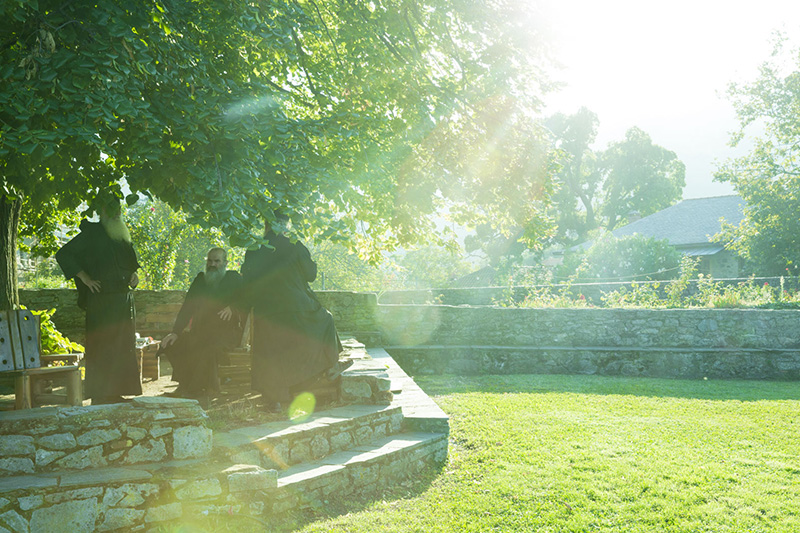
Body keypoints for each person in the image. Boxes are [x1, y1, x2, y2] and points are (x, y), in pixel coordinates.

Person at [240, 218, 347, 411]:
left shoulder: (254, 248)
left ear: (266, 224)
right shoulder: (294, 245)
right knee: (326, 319)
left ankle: (275, 401)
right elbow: (311, 275)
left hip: (267, 311)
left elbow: (246, 279)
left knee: (271, 353)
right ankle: (331, 365)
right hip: (297, 306)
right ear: (286, 225)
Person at [55, 197, 142, 405]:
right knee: (103, 346)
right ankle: (101, 395)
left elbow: (131, 265)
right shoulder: (92, 233)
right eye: (111, 210)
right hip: (102, 302)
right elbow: (64, 254)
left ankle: (117, 392)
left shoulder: (122, 235)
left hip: (123, 302)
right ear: (102, 212)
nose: (116, 214)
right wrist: (84, 278)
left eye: (118, 210)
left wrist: (134, 277)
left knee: (123, 347)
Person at [159, 248, 243, 397]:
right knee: (173, 344)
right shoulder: (200, 280)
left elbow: (249, 297)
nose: (212, 264)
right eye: (210, 261)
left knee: (209, 348)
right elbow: (187, 307)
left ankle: (197, 390)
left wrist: (234, 308)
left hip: (226, 334)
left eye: (217, 261)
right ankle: (185, 384)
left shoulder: (234, 279)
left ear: (225, 263)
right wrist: (175, 332)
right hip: (201, 331)